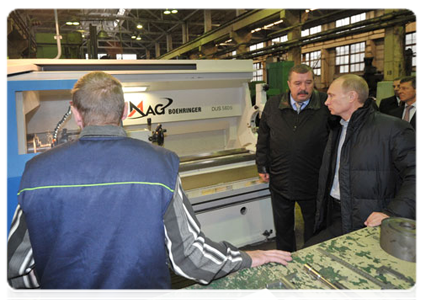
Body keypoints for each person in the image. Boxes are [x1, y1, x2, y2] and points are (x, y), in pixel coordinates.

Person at [6, 71, 292, 300]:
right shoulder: (161, 164)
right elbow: (190, 256)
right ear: (127, 111)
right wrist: (245, 257)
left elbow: (18, 269)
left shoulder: (37, 172)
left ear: (75, 112)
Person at [305, 74, 419, 246]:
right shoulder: (337, 127)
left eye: (331, 95)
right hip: (335, 211)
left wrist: (392, 213)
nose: (326, 102)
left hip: (367, 218)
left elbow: (417, 175)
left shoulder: (393, 128)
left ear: (352, 97)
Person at [255, 64, 331, 251]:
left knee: (314, 227)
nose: (303, 88)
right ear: (289, 84)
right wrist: (262, 166)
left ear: (314, 83)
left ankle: (312, 258)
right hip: (281, 178)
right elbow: (263, 137)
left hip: (313, 180)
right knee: (283, 227)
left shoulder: (325, 105)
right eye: (297, 83)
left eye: (308, 82)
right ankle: (286, 260)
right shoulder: (274, 105)